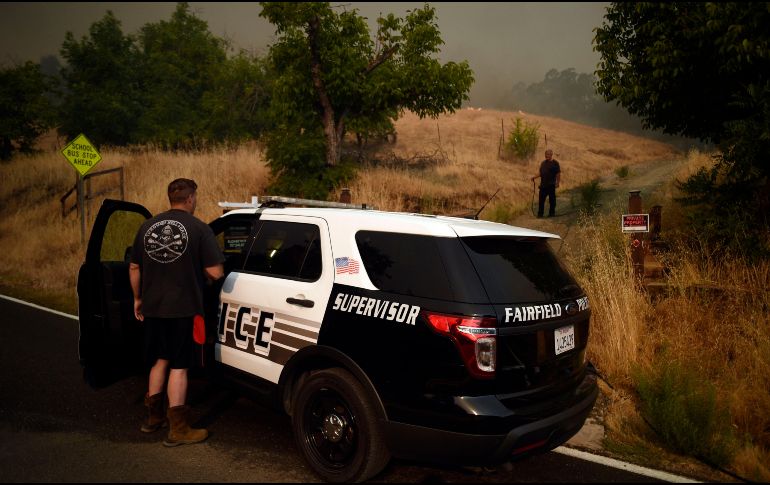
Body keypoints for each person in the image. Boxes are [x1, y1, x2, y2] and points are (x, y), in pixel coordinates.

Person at [129, 178, 224, 447]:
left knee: (159, 361)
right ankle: (179, 429)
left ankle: (153, 418)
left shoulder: (147, 227)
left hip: (154, 307)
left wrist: (138, 298)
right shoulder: (199, 229)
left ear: (170, 197)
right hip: (185, 309)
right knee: (180, 366)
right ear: (191, 198)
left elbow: (134, 267)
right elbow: (216, 272)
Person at [531, 149, 561, 217]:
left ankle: (551, 213)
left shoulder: (555, 163)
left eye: (548, 154)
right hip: (543, 185)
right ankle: (540, 214)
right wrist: (534, 177)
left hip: (551, 185)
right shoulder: (543, 163)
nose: (546, 156)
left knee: (552, 201)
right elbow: (541, 173)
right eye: (546, 154)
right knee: (541, 201)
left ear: (551, 155)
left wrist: (557, 182)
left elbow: (558, 174)